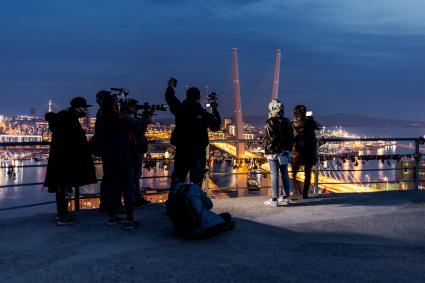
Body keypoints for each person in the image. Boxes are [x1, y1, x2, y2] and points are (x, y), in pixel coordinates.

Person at [44, 97, 97, 225]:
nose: (85, 110)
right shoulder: (70, 120)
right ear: (77, 107)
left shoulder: (64, 117)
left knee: (62, 188)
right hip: (66, 161)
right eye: (84, 108)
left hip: (61, 160)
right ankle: (62, 216)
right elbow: (76, 141)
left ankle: (62, 214)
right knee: (64, 188)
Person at [92, 94, 139, 230]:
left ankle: (112, 217)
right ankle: (129, 220)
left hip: (109, 159)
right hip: (124, 158)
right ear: (114, 105)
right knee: (128, 190)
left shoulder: (100, 121)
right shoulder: (121, 118)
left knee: (112, 188)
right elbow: (137, 126)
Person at [165, 78, 221, 187]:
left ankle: (176, 201)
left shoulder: (181, 109)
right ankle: (194, 202)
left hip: (182, 150)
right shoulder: (203, 113)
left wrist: (170, 86)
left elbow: (170, 98)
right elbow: (216, 126)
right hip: (198, 152)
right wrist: (215, 110)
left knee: (178, 180)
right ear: (198, 98)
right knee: (196, 183)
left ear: (187, 96)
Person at [167, 182, 235, 238]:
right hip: (199, 231)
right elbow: (209, 205)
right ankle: (225, 226)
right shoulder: (195, 188)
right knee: (226, 216)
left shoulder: (175, 190)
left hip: (180, 231)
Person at [263, 99, 294, 206]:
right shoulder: (286, 121)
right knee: (285, 174)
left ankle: (274, 199)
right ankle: (285, 198)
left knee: (274, 175)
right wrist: (286, 150)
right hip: (284, 152)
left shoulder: (269, 122)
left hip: (273, 152)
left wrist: (268, 150)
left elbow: (269, 139)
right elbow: (291, 137)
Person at [291, 105, 320, 199]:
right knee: (308, 173)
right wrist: (311, 119)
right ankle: (305, 194)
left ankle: (295, 191)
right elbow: (318, 127)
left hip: (297, 151)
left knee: (294, 173)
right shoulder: (309, 122)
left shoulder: (293, 123)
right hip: (309, 151)